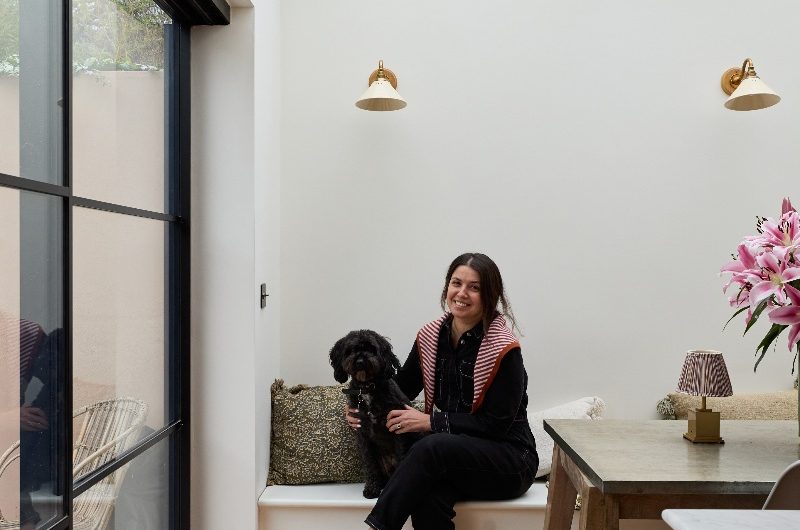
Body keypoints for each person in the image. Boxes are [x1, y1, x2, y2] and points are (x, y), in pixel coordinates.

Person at [346, 252, 538, 530]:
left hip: (509, 460)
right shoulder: (430, 337)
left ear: (490, 295)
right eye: (456, 283)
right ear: (446, 287)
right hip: (453, 459)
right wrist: (358, 403)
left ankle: (376, 527)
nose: (462, 293)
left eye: (474, 287)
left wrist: (431, 422)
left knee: (430, 443)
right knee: (427, 498)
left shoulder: (504, 349)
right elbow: (398, 387)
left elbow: (495, 425)